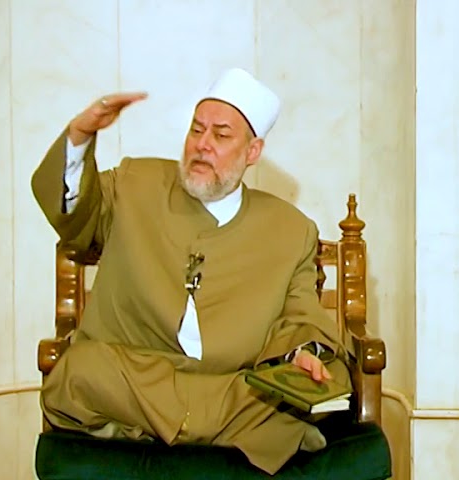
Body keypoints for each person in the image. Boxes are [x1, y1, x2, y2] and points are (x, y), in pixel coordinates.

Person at [32, 68, 352, 475]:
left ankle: (144, 429)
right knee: (78, 372)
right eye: (196, 130)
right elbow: (76, 215)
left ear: (252, 151)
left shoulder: (290, 229)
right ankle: (249, 435)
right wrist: (80, 136)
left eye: (221, 135)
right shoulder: (134, 183)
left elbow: (301, 311)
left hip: (232, 381)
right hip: (138, 374)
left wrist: (302, 353)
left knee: (324, 380)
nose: (202, 145)